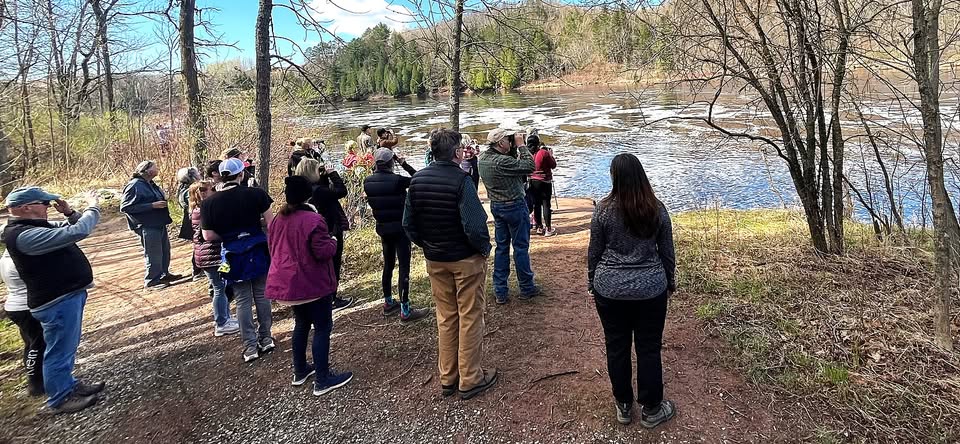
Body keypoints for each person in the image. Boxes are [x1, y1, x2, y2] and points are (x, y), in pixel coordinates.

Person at [403, 128, 497, 400]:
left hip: (436, 260)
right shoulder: (461, 180)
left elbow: (408, 224)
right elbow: (475, 225)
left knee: (445, 317)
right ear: (456, 152)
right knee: (470, 317)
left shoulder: (417, 180)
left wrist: (428, 245)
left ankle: (448, 377)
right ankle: (470, 378)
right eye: (462, 148)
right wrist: (483, 249)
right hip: (465, 259)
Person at [587, 153, 677, 429]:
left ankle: (623, 405)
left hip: (609, 289)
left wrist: (592, 282)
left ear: (614, 177)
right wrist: (669, 282)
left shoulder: (603, 210)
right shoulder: (657, 208)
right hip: (651, 289)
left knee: (616, 345)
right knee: (649, 347)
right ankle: (652, 409)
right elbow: (667, 252)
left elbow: (594, 252)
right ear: (641, 175)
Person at [1, 187, 105, 413]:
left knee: (66, 347)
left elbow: (72, 225)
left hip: (65, 296)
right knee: (59, 351)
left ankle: (68, 385)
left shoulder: (35, 227)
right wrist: (93, 206)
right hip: (56, 301)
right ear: (25, 208)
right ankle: (59, 398)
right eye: (44, 203)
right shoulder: (23, 235)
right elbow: (79, 231)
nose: (49, 206)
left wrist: (69, 212)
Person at [265, 176, 354, 396]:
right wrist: (333, 242)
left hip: (288, 284)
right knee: (322, 327)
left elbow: (273, 247)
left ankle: (300, 370)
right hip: (311, 283)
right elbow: (322, 252)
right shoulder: (314, 220)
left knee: (302, 324)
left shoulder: (277, 220)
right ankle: (322, 379)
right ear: (308, 195)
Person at [200, 158, 275, 362]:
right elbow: (271, 223)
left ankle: (250, 346)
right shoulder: (256, 194)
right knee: (262, 294)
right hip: (258, 248)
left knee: (242, 299)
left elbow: (208, 236)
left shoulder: (209, 203)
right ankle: (266, 338)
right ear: (241, 174)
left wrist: (229, 236)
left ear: (221, 176)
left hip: (232, 252)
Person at [363, 148, 430, 322]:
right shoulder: (397, 181)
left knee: (388, 265)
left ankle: (388, 303)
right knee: (404, 267)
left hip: (383, 229)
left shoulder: (367, 181)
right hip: (400, 229)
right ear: (391, 162)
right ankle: (405, 310)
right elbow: (418, 178)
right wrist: (404, 163)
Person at [477, 128, 540, 304]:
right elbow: (530, 166)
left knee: (502, 248)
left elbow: (511, 162)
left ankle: (500, 291)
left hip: (497, 206)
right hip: (514, 206)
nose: (510, 141)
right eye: (508, 139)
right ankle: (527, 287)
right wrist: (521, 145)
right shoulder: (502, 161)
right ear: (500, 143)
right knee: (520, 248)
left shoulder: (483, 158)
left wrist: (512, 145)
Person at [294, 158, 354, 312]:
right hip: (330, 230)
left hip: (313, 231)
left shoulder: (302, 190)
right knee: (333, 264)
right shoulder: (319, 191)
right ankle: (332, 298)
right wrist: (332, 173)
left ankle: (322, 296)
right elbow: (341, 191)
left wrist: (324, 177)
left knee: (320, 266)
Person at [120, 160, 183, 290]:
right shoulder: (134, 185)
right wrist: (151, 205)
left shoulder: (150, 184)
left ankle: (164, 274)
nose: (157, 169)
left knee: (164, 250)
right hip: (146, 224)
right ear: (147, 170)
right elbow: (125, 207)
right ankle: (151, 281)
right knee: (153, 253)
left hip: (159, 222)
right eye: (155, 167)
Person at [189, 180, 240, 337]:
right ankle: (221, 323)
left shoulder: (198, 209)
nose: (216, 191)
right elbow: (209, 235)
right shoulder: (203, 211)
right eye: (212, 189)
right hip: (210, 256)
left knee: (222, 286)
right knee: (219, 288)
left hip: (210, 255)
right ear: (203, 193)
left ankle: (226, 317)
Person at [1, 250, 45, 397]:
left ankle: (35, 380)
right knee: (38, 343)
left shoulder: (6, 257)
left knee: (31, 343)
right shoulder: (17, 258)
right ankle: (35, 383)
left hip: (16, 306)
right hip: (24, 307)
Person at [528, 135, 557, 237]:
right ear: (538, 143)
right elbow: (553, 165)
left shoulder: (527, 154)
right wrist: (551, 155)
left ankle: (539, 227)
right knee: (546, 204)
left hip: (532, 181)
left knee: (536, 204)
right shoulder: (543, 153)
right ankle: (548, 229)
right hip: (545, 181)